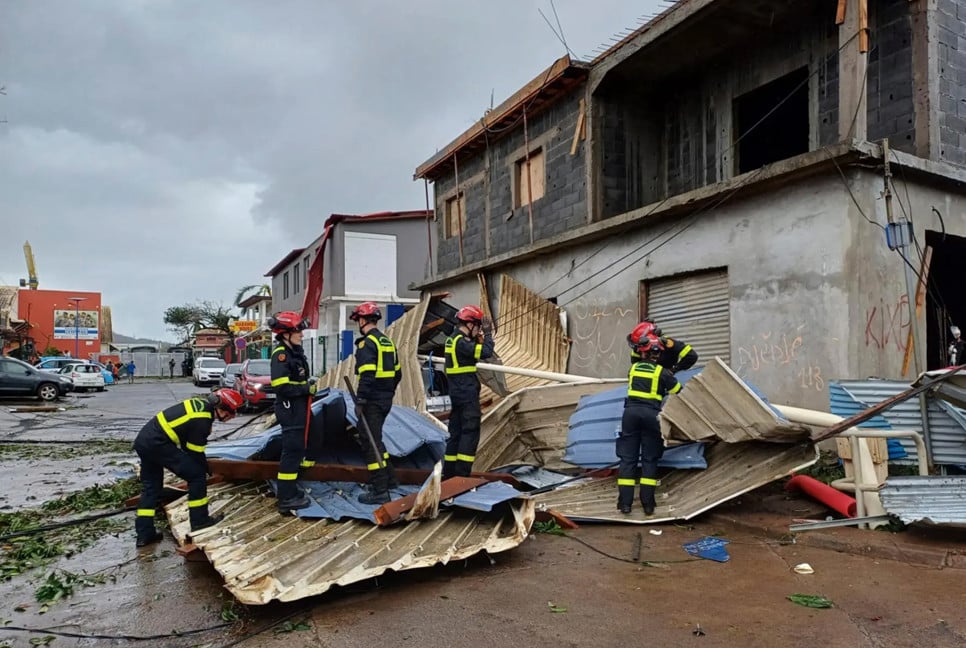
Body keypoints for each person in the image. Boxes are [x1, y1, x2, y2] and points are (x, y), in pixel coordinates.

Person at [132, 388, 243, 547]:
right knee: (197, 477)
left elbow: (186, 443)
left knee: (151, 488)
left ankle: (144, 535)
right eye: (231, 413)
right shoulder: (203, 419)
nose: (231, 417)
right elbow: (194, 452)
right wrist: (206, 469)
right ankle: (200, 521)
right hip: (158, 444)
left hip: (144, 442)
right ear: (222, 408)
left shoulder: (199, 406)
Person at [618, 334, 681, 516]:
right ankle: (648, 505)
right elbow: (678, 391)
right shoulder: (662, 372)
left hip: (630, 415)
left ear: (642, 352)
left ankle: (625, 505)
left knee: (628, 459)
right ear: (658, 354)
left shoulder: (633, 369)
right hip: (651, 416)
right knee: (649, 459)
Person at [349, 302, 401, 505]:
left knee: (370, 442)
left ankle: (380, 490)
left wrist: (361, 400)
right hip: (385, 398)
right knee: (376, 440)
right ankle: (390, 479)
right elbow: (398, 373)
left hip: (371, 400)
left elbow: (367, 374)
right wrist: (387, 392)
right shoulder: (387, 342)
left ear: (362, 320)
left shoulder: (367, 344)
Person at [268, 311, 316, 514]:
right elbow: (281, 387)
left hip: (298, 408)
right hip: (290, 409)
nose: (302, 335)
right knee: (292, 451)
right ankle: (286, 497)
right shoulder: (281, 355)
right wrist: (306, 389)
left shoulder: (294, 352)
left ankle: (291, 489)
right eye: (298, 331)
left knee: (297, 450)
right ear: (286, 333)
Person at [442, 305, 495, 479]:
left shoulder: (452, 339)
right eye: (478, 326)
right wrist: (487, 335)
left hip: (456, 393)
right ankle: (462, 477)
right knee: (470, 433)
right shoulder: (461, 342)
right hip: (467, 393)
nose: (479, 329)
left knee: (455, 433)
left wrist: (478, 339)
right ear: (470, 324)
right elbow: (486, 352)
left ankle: (448, 475)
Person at [628, 319, 698, 374]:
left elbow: (691, 356)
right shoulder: (637, 348)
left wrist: (674, 370)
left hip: (666, 380)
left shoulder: (669, 344)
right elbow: (635, 362)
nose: (638, 350)